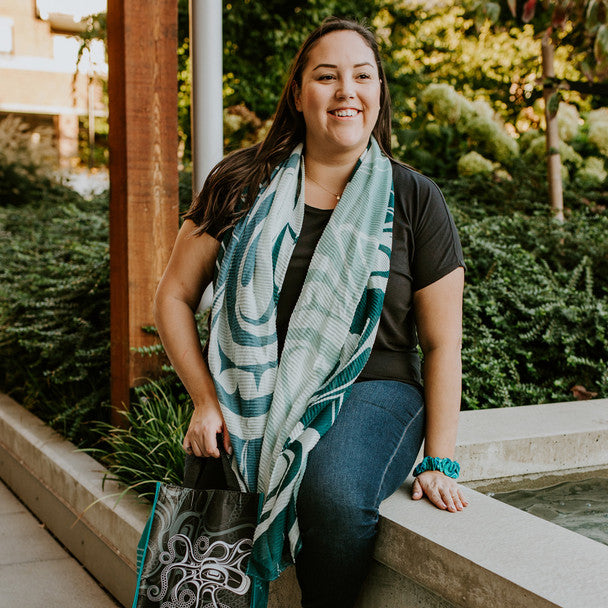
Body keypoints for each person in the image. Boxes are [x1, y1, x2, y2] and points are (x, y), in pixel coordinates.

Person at [153, 16, 468, 608]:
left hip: (372, 387)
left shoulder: (414, 197)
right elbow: (172, 296)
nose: (347, 90)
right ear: (298, 95)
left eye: (363, 76)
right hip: (252, 391)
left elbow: (442, 341)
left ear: (379, 93)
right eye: (327, 76)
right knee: (213, 490)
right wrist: (205, 400)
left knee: (334, 495)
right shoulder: (239, 183)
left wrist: (440, 460)